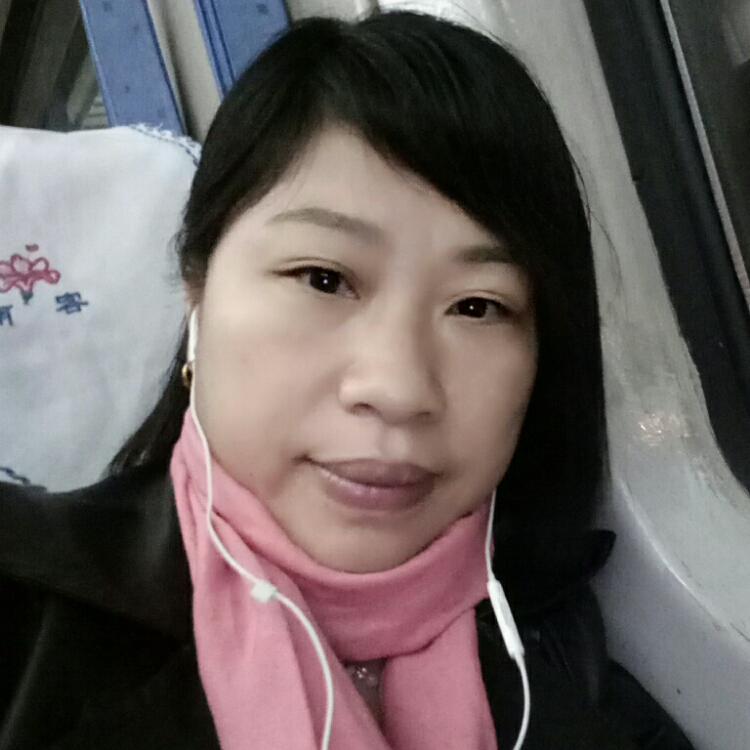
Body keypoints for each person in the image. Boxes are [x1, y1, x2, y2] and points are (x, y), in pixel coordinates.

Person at [0, 10, 694, 750]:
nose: (398, 388)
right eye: (324, 278)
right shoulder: (22, 610)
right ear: (198, 290)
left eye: (478, 306)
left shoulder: (594, 706)